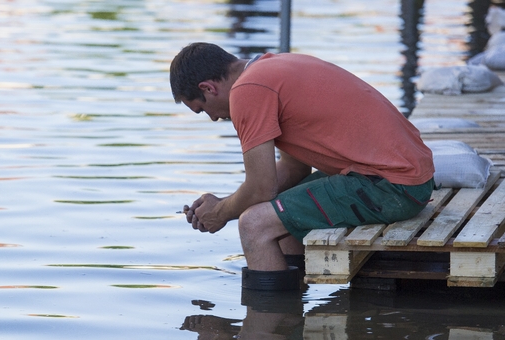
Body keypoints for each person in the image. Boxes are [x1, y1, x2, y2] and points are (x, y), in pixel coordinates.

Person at [169, 43, 435, 290]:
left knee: (255, 224)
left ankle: (270, 328)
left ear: (208, 88)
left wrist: (222, 212)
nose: (214, 117)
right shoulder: (273, 67)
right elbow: (293, 171)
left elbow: (261, 188)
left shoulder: (247, 91)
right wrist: (224, 203)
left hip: (394, 187)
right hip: (407, 178)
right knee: (277, 213)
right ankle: (295, 297)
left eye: (202, 110)